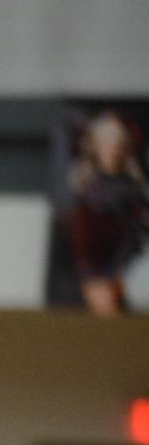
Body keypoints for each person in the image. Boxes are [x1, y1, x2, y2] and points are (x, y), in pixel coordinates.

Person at [65, 111, 149, 317]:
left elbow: (140, 226)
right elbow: (83, 237)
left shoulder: (132, 188)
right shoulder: (88, 188)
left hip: (127, 266)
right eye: (107, 143)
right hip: (96, 269)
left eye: (117, 143)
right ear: (96, 146)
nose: (113, 149)